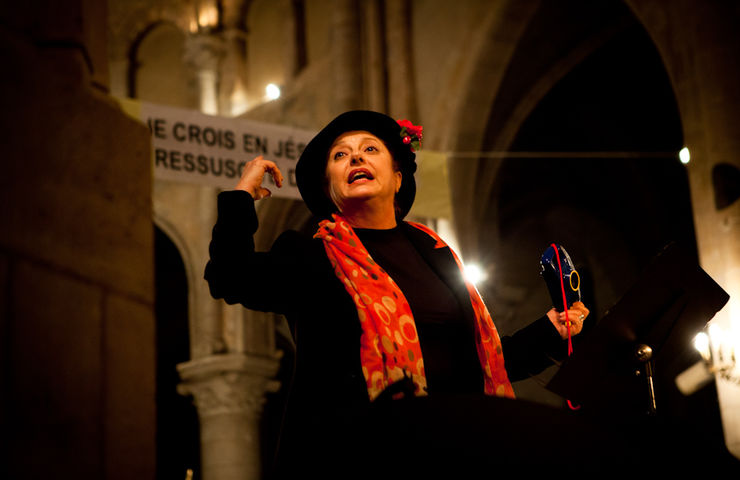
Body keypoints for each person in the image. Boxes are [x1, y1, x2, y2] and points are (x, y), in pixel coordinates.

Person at [204, 110, 590, 477]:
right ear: (328, 188)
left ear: (398, 176)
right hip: (353, 457)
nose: (356, 156)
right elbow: (229, 276)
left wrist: (548, 331)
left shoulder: (436, 254)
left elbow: (475, 360)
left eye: (370, 149)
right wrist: (242, 195)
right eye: (341, 155)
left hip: (453, 448)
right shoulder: (309, 256)